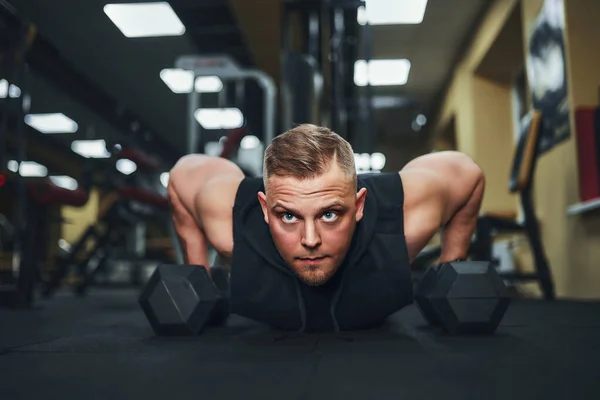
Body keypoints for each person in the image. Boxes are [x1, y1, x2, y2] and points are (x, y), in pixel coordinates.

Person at [168, 124, 485, 332]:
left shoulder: (403, 219)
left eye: (330, 215)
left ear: (359, 206)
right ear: (265, 209)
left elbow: (468, 174)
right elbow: (183, 174)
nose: (310, 240)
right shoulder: (230, 224)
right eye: (289, 217)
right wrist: (198, 274)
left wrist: (450, 265)